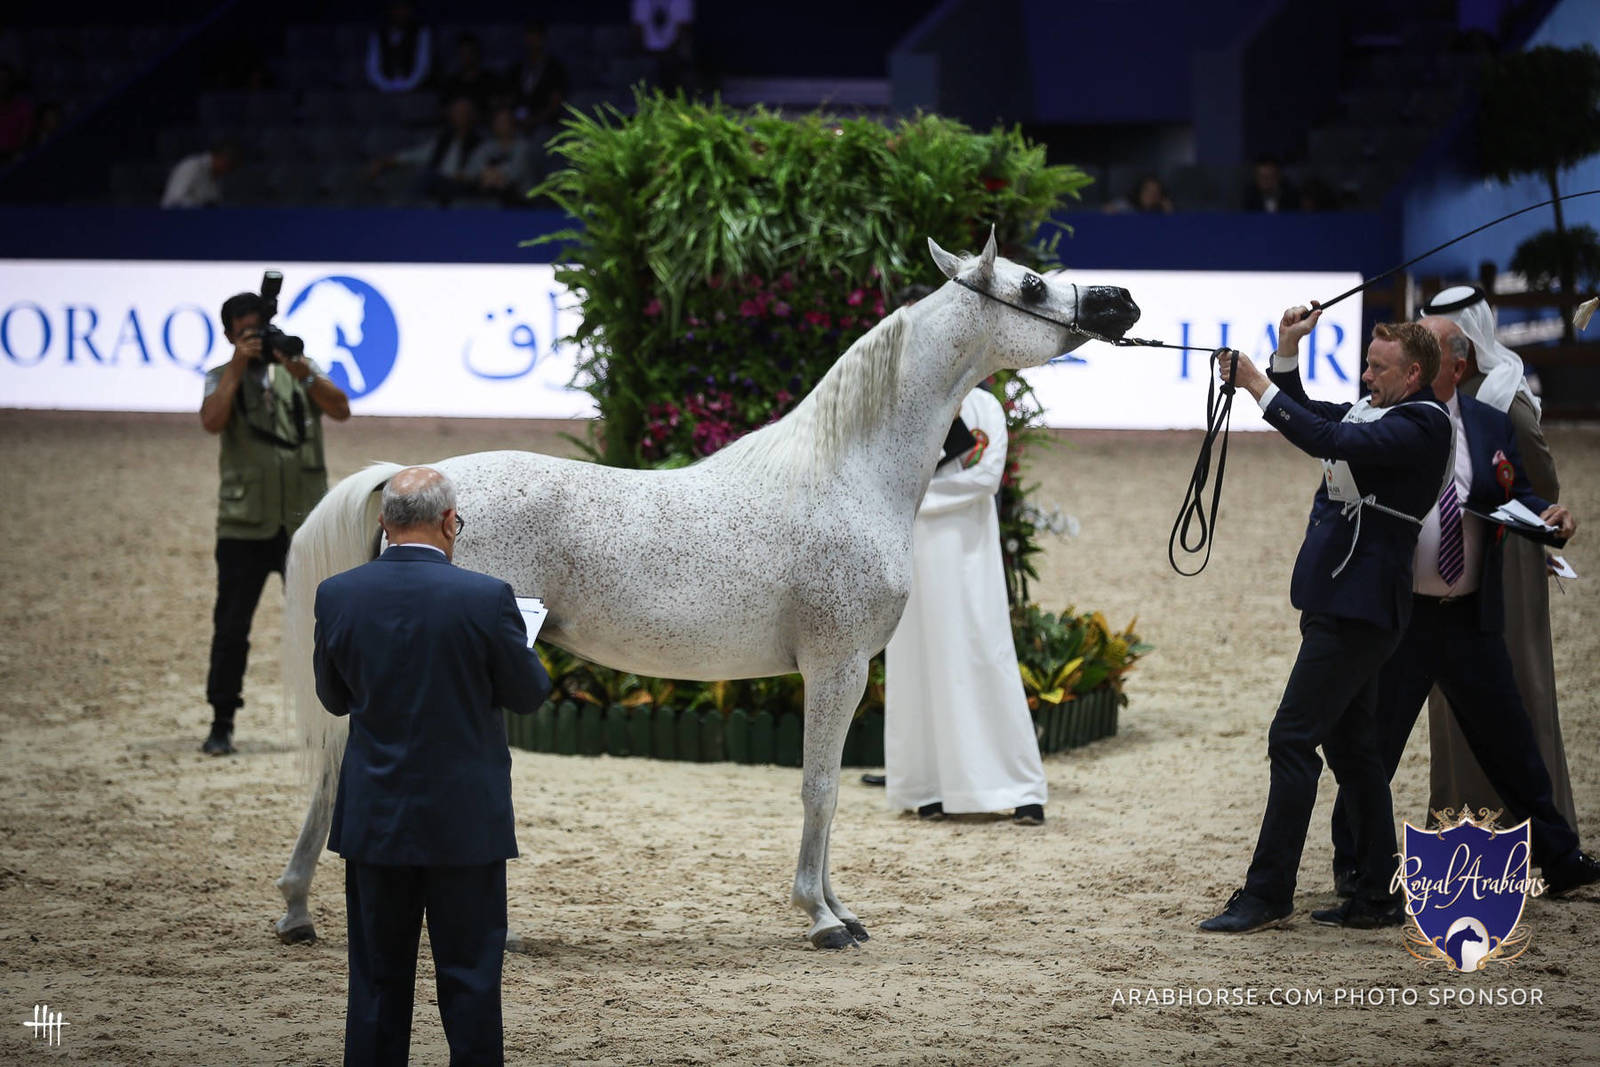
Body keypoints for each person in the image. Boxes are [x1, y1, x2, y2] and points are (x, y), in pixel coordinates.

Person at [1326, 318, 1600, 896]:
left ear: (1456, 366)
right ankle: (1353, 867)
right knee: (1373, 748)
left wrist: (1555, 518)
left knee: (1512, 745)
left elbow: (1517, 494)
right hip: (1402, 617)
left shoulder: (1489, 424)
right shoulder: (1380, 418)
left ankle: (1560, 856)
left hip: (1468, 616)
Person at [1199, 310, 1452, 933]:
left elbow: (1326, 439)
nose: (1366, 375)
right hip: (1344, 597)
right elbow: (1310, 412)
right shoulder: (1378, 410)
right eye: (1366, 363)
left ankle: (1268, 891)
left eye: (1378, 367)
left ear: (1414, 372)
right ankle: (1377, 892)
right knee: (1353, 749)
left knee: (1292, 738)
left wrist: (1258, 385)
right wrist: (1287, 350)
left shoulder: (1421, 424)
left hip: (1360, 607)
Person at [313, 466, 551, 1066]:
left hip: (376, 818)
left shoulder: (338, 593)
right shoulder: (487, 597)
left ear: (383, 524)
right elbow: (528, 695)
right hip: (464, 824)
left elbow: (334, 697)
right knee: (471, 983)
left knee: (374, 987)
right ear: (449, 521)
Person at [1419, 285, 1579, 831]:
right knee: (1456, 692)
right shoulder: (1435, 390)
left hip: (1506, 559)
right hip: (1453, 561)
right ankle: (1462, 816)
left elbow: (1540, 483)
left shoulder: (1506, 396)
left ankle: (1532, 827)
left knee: (1517, 684)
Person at [883, 384, 1048, 826]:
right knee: (919, 663)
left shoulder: (984, 407)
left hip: (969, 553)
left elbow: (984, 478)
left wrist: (915, 498)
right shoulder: (905, 401)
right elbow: (890, 472)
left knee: (984, 654)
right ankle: (927, 787)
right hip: (915, 552)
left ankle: (1018, 787)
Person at [199, 292, 350, 754]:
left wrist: (302, 371)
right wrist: (235, 369)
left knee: (319, 623)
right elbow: (212, 420)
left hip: (303, 521)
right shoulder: (218, 376)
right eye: (246, 333)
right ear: (228, 335)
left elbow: (341, 409)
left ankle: (328, 721)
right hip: (243, 523)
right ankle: (222, 720)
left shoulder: (299, 368)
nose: (257, 341)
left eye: (261, 332)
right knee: (231, 627)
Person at [369, 95, 481, 206]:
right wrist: (384, 162)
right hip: (438, 183)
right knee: (424, 176)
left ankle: (403, 209)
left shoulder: (480, 143)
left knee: (427, 176)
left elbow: (483, 166)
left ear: (472, 116)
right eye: (457, 112)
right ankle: (403, 212)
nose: (460, 116)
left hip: (465, 185)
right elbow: (414, 155)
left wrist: (468, 175)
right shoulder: (441, 142)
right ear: (450, 115)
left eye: (464, 113)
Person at [464, 105, 538, 207]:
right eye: (498, 122)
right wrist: (487, 176)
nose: (501, 125)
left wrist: (494, 176)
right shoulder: (485, 146)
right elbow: (472, 171)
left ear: (513, 124)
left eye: (505, 122)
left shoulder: (524, 146)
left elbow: (515, 174)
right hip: (487, 199)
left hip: (522, 201)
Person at [506, 21, 568, 132]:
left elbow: (555, 105)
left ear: (544, 39)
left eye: (536, 36)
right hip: (517, 124)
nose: (533, 40)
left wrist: (533, 121)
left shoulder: (554, 69)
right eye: (530, 35)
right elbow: (509, 99)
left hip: (544, 125)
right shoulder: (517, 69)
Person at [365, 0, 432, 93]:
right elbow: (372, 66)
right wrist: (386, 86)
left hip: (416, 91)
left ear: (410, 10)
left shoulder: (421, 32)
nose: (399, 12)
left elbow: (423, 65)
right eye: (396, 8)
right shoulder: (379, 33)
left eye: (403, 8)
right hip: (383, 90)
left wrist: (407, 86)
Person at [434, 32, 501, 120]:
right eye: (463, 53)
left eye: (470, 52)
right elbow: (442, 109)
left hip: (485, 128)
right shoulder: (451, 83)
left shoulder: (490, 81)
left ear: (478, 53)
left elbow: (496, 106)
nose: (467, 57)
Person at [161, 140, 239, 208]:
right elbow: (175, 200)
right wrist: (200, 206)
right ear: (220, 157)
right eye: (227, 163)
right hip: (173, 219)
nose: (228, 169)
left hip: (199, 220)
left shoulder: (217, 176)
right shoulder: (191, 166)